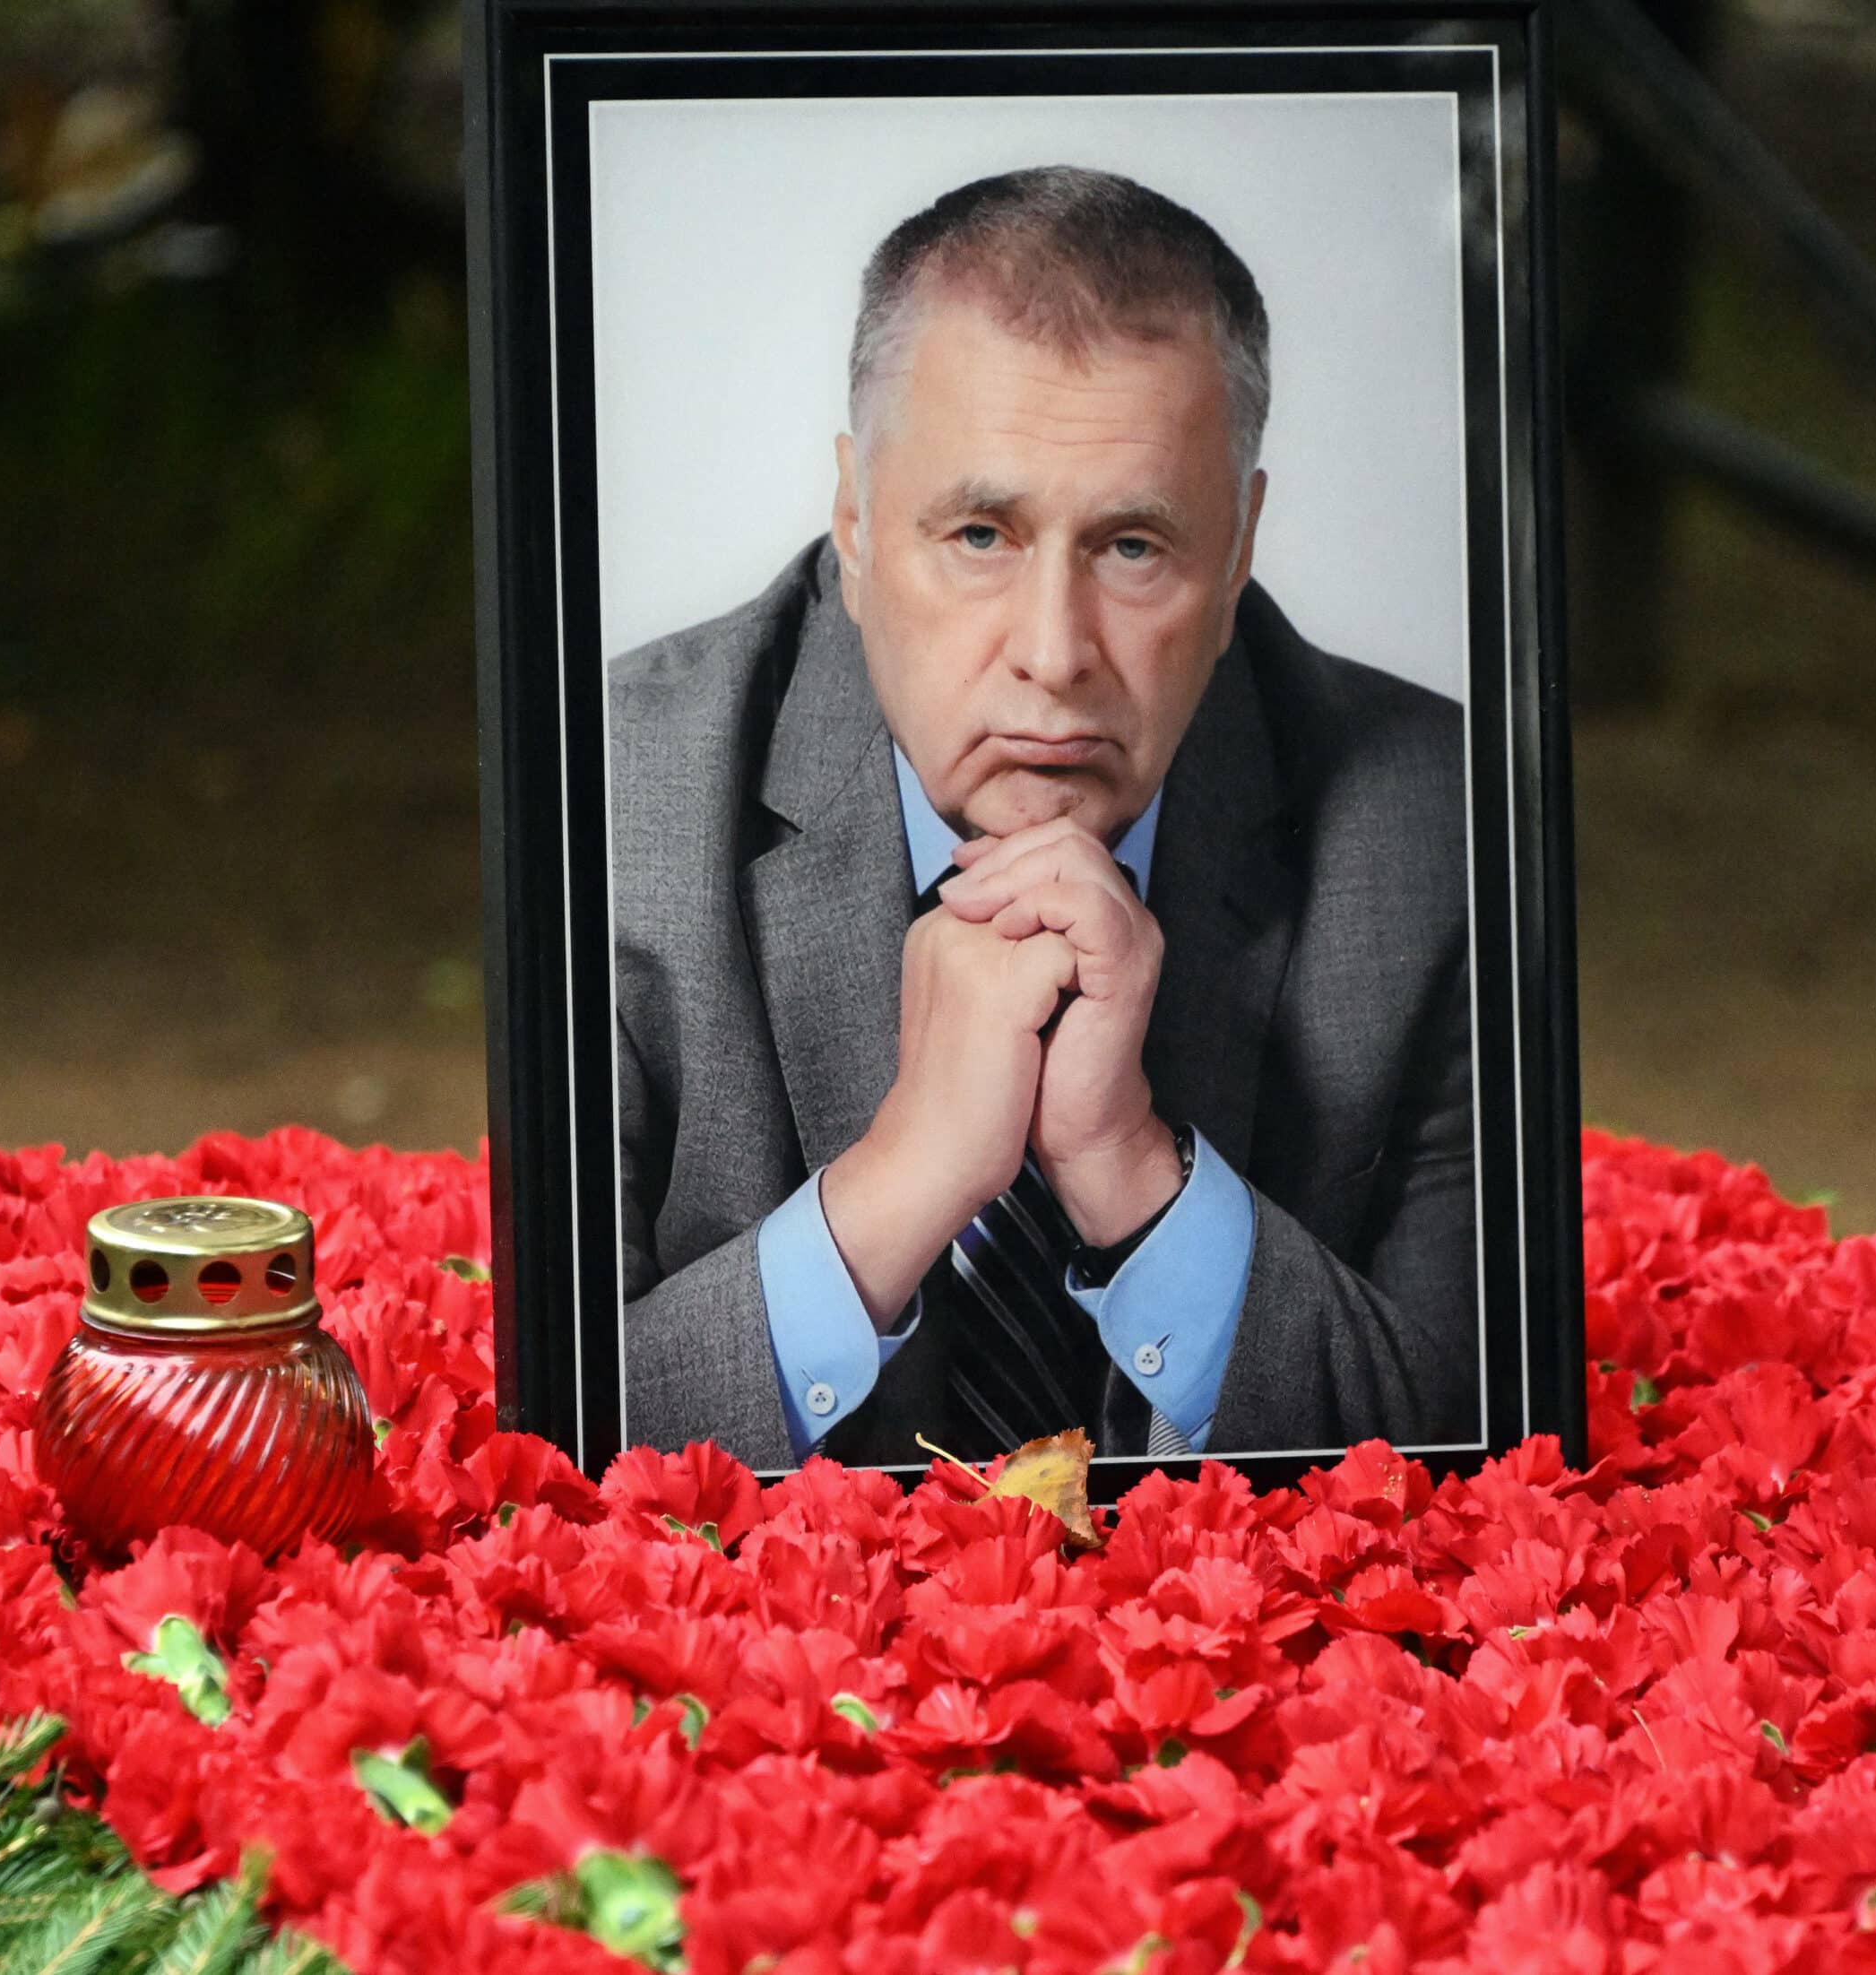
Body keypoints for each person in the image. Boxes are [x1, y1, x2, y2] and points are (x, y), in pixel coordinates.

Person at [609, 164, 1474, 1470]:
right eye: (978, 536)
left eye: (1133, 546)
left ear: (1238, 548)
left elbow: (1478, 1449)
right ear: (853, 517)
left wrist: (1132, 1170)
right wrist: (894, 1190)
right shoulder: (620, 795)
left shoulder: (1432, 827)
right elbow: (550, 1442)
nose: (1056, 654)